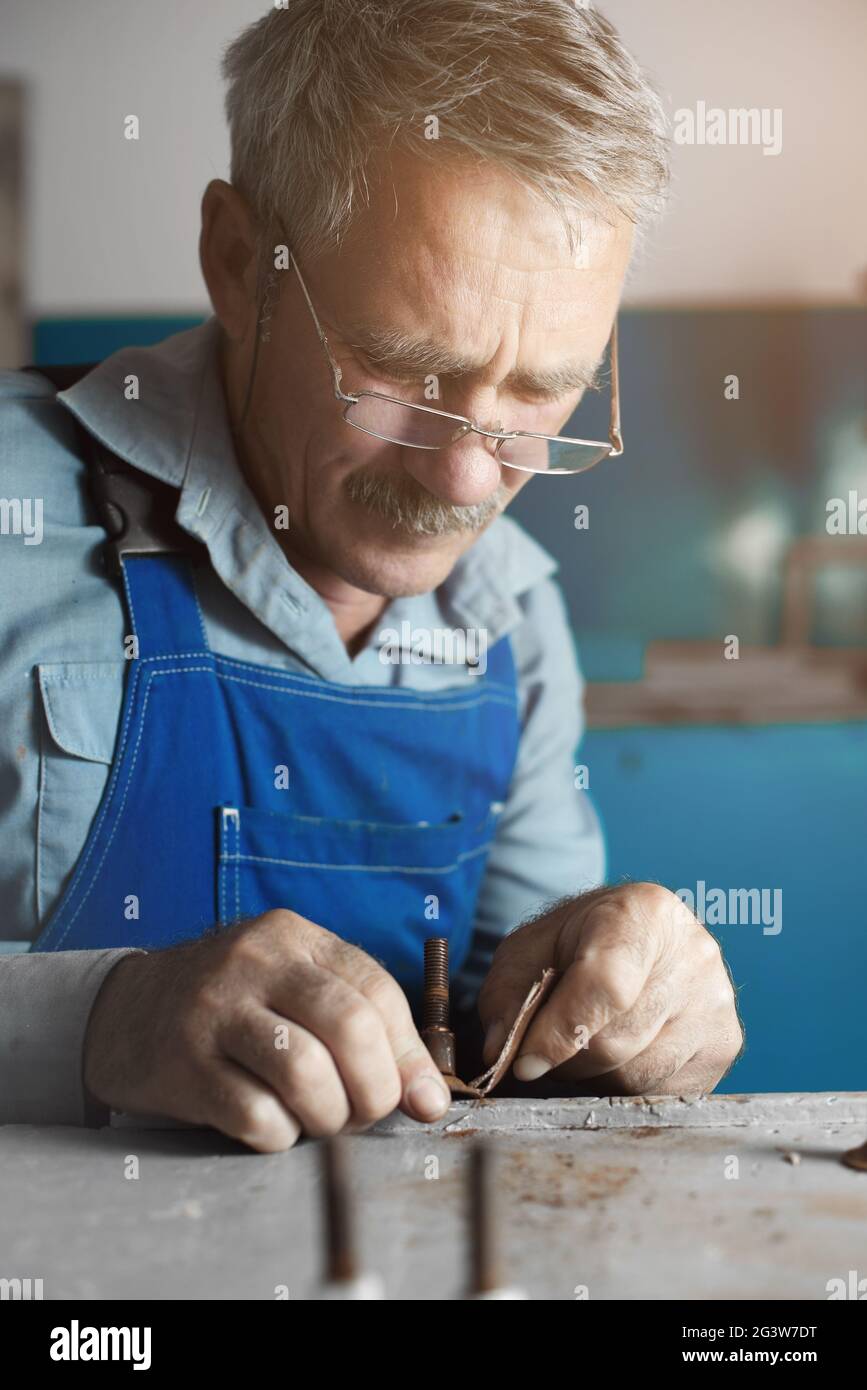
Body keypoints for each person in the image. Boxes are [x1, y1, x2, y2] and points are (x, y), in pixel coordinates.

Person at [0, 1, 742, 1149]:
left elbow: (522, 1068)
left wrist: (635, 1016)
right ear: (239, 264)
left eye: (546, 390)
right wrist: (93, 1022)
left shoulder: (515, 624)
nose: (466, 474)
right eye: (405, 368)